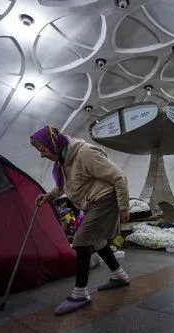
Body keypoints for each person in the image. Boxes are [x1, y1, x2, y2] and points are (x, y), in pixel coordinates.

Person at [30, 126, 130, 316]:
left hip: (105, 199)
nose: (41, 155)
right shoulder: (62, 161)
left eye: (42, 149)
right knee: (98, 241)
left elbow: (119, 177)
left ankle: (80, 293)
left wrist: (124, 206)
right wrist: (47, 196)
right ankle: (120, 276)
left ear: (53, 143)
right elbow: (63, 188)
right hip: (91, 203)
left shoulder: (85, 154)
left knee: (81, 239)